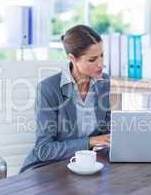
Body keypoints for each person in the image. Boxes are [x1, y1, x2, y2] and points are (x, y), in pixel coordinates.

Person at [20, 25, 111, 172]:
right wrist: (89, 142)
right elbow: (44, 150)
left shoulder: (103, 83)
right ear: (72, 59)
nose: (101, 64)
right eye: (92, 59)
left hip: (87, 164)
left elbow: (106, 132)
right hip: (48, 169)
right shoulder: (49, 89)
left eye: (102, 55)